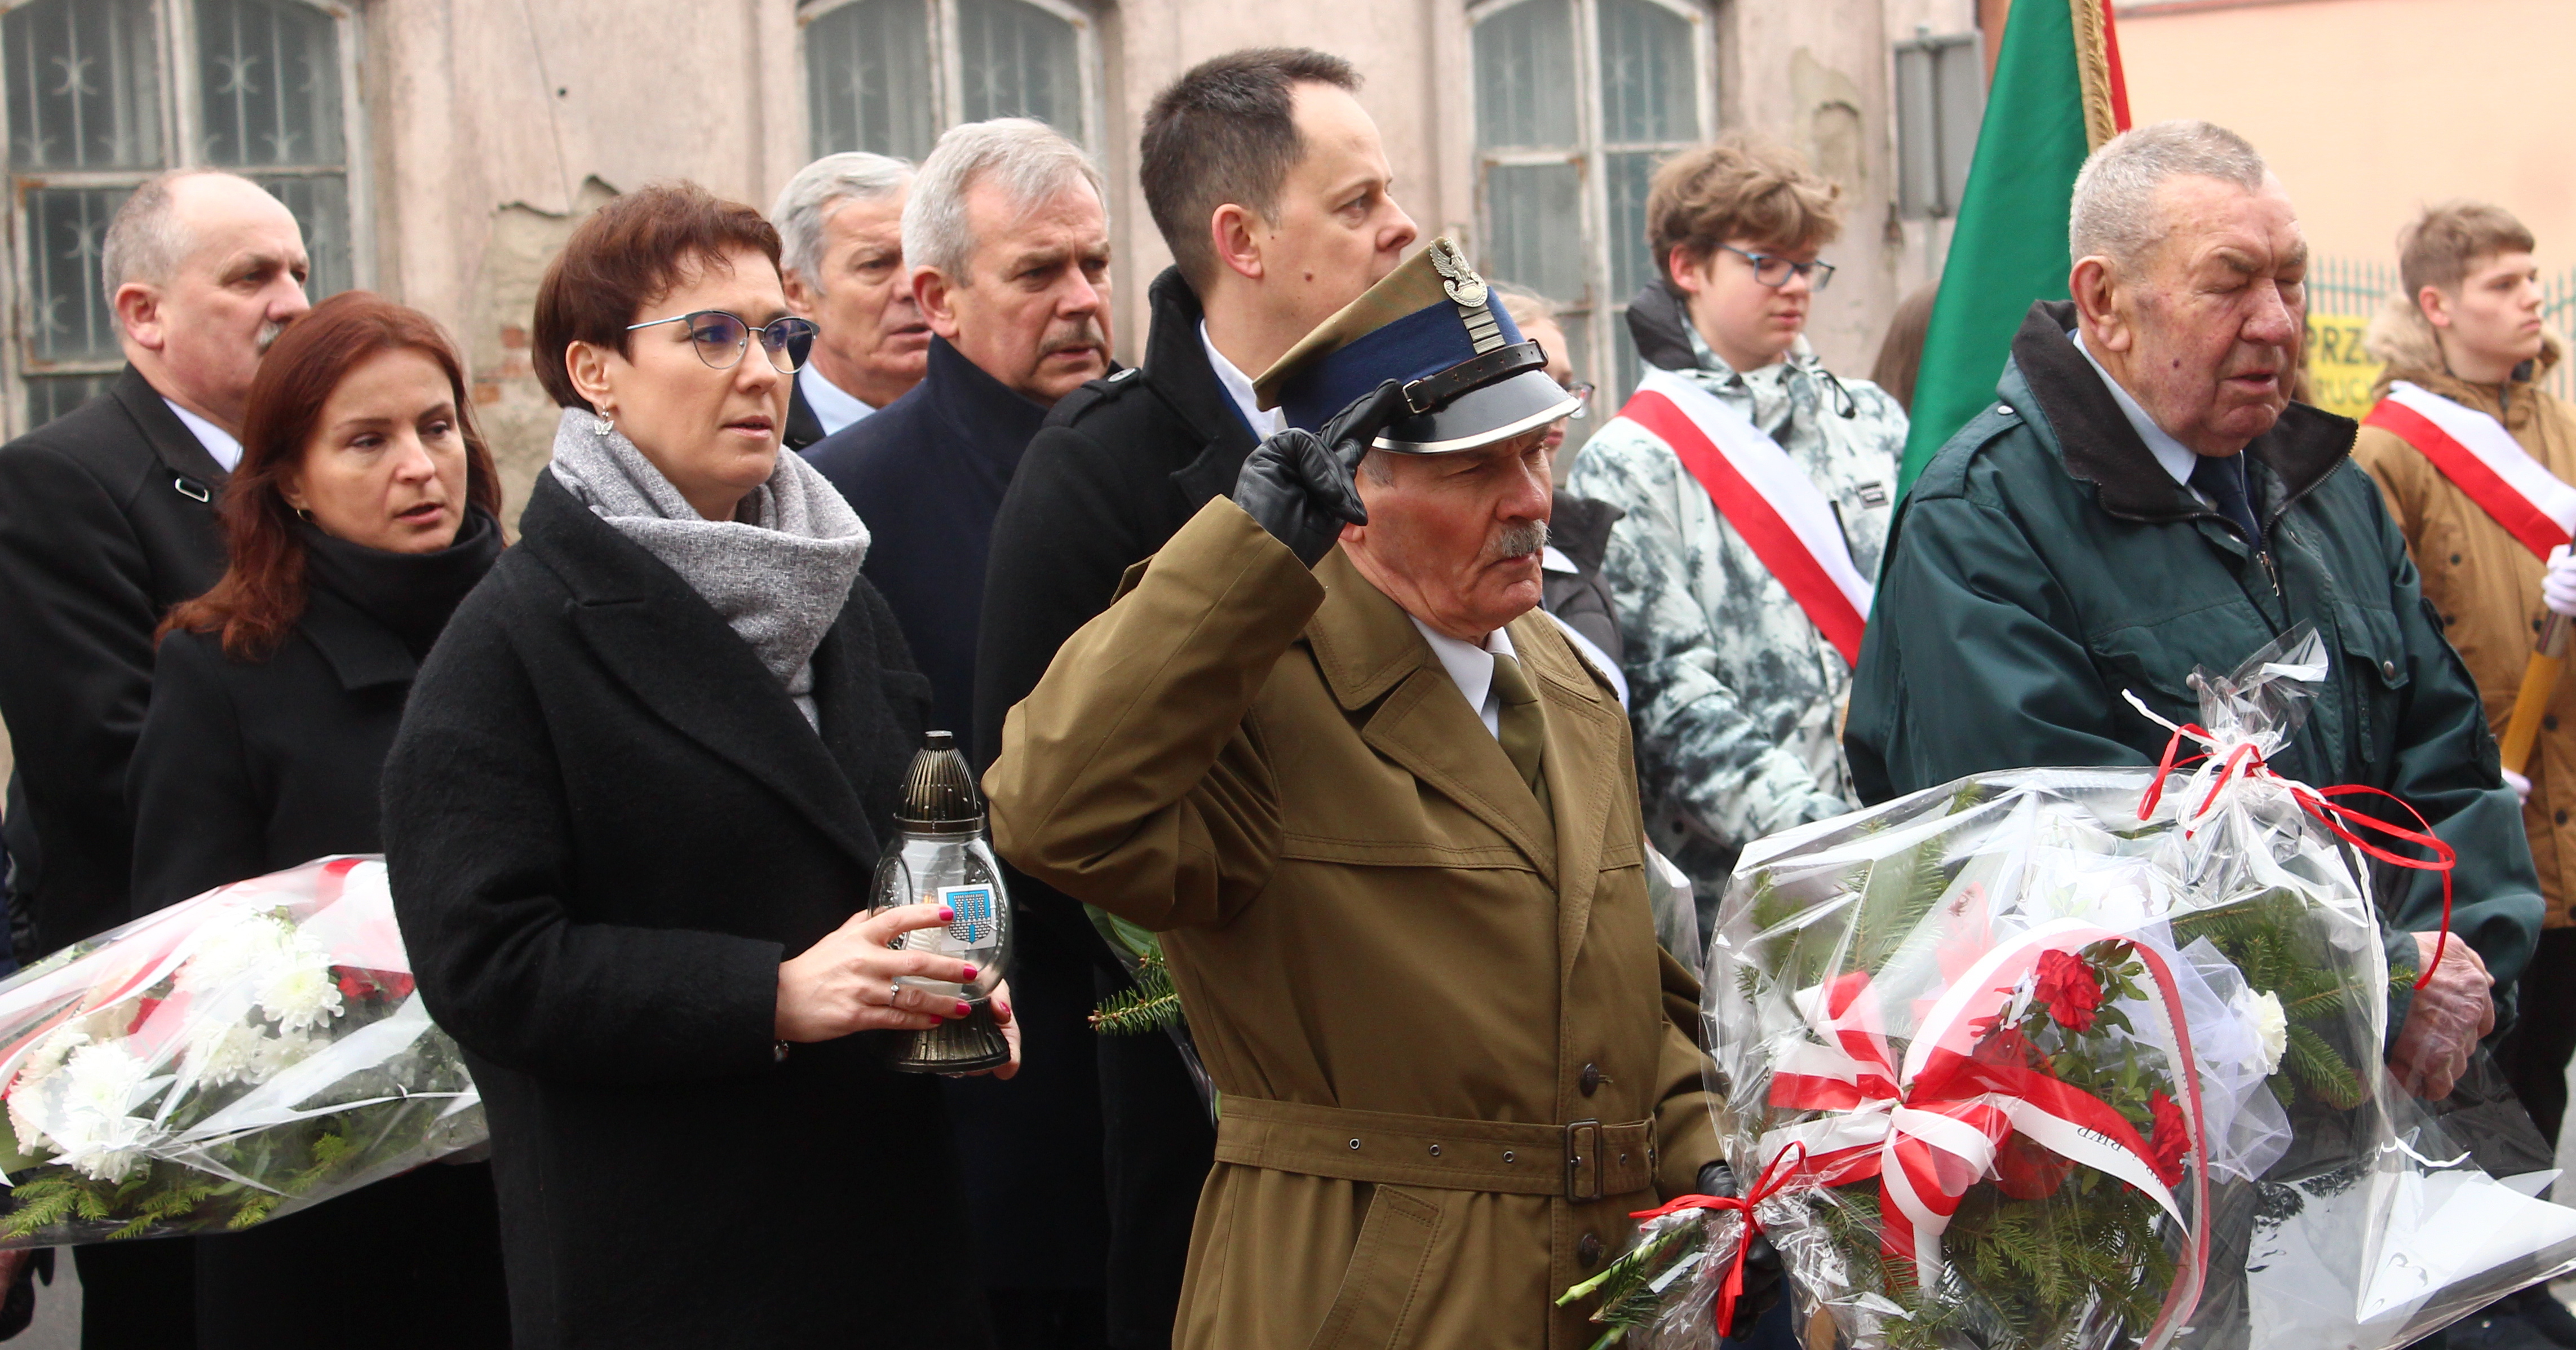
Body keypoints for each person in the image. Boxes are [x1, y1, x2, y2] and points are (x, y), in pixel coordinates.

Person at [988, 241, 1725, 1350]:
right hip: (1362, 1299)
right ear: (1356, 490)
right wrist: (1240, 560)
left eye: (1540, 448)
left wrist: (1702, 1163)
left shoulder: (1561, 676)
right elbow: (1050, 811)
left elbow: (1627, 990)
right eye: (1479, 468)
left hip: (1591, 1296)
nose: (1532, 501)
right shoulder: (1255, 680)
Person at [378, 182, 1011, 1349]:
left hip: (881, 1238)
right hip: (672, 1257)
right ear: (596, 372)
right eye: (711, 335)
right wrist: (765, 996)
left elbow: (905, 832)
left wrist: (955, 971)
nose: (762, 369)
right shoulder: (513, 639)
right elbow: (486, 960)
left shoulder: (835, 588)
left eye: (777, 333)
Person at [1847, 119, 2537, 1112]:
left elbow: (2448, 768)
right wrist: (2367, 987)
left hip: (2418, 1098)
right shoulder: (1984, 522)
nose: (2278, 322)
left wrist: (2447, 980)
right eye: (2231, 283)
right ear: (2105, 302)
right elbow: (2056, 857)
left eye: (2291, 281)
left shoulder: (2328, 489)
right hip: (2166, 1150)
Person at [970, 50, 1415, 1349]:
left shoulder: (1423, 420)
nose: (1397, 228)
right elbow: (1041, 831)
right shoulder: (1093, 475)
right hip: (1212, 1123)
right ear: (1241, 239)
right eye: (1353, 203)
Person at [127, 291, 511, 1350]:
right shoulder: (222, 668)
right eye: (368, 440)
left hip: (537, 1189)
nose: (421, 467)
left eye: (437, 428)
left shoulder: (547, 621)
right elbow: (190, 966)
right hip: (326, 1212)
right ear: (290, 478)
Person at [805, 116, 1115, 1347]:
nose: (1083, 300)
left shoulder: (1171, 462)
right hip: (987, 1073)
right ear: (933, 295)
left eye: (1093, 264)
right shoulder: (847, 506)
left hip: (1195, 1062)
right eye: (1039, 273)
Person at [0, 166, 310, 1348]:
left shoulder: (318, 474)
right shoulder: (61, 485)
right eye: (249, 277)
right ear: (145, 316)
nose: (290, 299)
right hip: (175, 1026)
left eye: (297, 269)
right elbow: (108, 764)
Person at [1563, 134, 1910, 931]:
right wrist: (1835, 843)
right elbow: (1672, 697)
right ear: (1686, 266)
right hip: (1756, 897)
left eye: (1807, 264)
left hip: (1913, 841)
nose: (1795, 287)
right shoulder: (1630, 460)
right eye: (1766, 262)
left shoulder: (1869, 421)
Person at [2351, 202, 2576, 1350]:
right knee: (2498, 1114)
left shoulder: (2560, 425)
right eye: (2499, 284)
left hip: (2574, 822)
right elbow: (2385, 646)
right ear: (2436, 305)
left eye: (2532, 278)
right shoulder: (2385, 450)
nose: (2528, 299)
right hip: (2484, 834)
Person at [772, 151, 928, 448]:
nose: (912, 287)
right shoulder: (759, 444)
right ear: (797, 290)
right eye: (875, 265)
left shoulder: (1005, 418)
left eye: (921, 259)